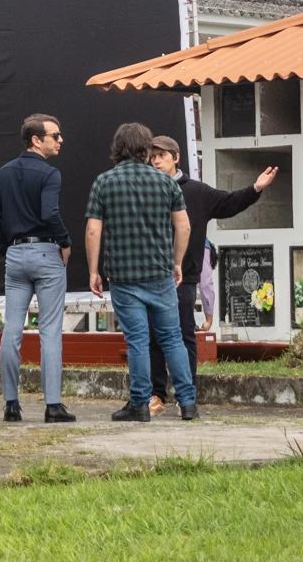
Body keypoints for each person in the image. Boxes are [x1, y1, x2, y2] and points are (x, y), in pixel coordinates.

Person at [145, 135, 276, 413]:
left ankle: (185, 394)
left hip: (184, 276)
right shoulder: (145, 188)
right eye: (152, 155)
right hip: (150, 274)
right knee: (152, 335)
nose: (156, 160)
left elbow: (228, 203)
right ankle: (156, 394)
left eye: (162, 155)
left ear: (176, 157)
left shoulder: (195, 191)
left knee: (183, 335)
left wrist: (255, 188)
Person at [87, 122, 196, 423]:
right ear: (146, 149)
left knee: (137, 340)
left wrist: (94, 270)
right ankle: (187, 403)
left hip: (123, 276)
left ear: (117, 148)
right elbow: (184, 226)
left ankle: (139, 404)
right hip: (160, 274)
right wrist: (176, 262)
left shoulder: (104, 182)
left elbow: (94, 231)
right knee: (172, 338)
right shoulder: (167, 183)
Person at [0, 113, 75, 424]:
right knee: (50, 330)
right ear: (36, 140)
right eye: (55, 135)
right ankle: (52, 406)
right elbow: (49, 212)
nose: (60, 140)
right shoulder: (50, 174)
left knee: (12, 328)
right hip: (46, 250)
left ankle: (11, 403)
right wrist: (64, 241)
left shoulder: (3, 173)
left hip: (16, 254)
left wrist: (5, 247)